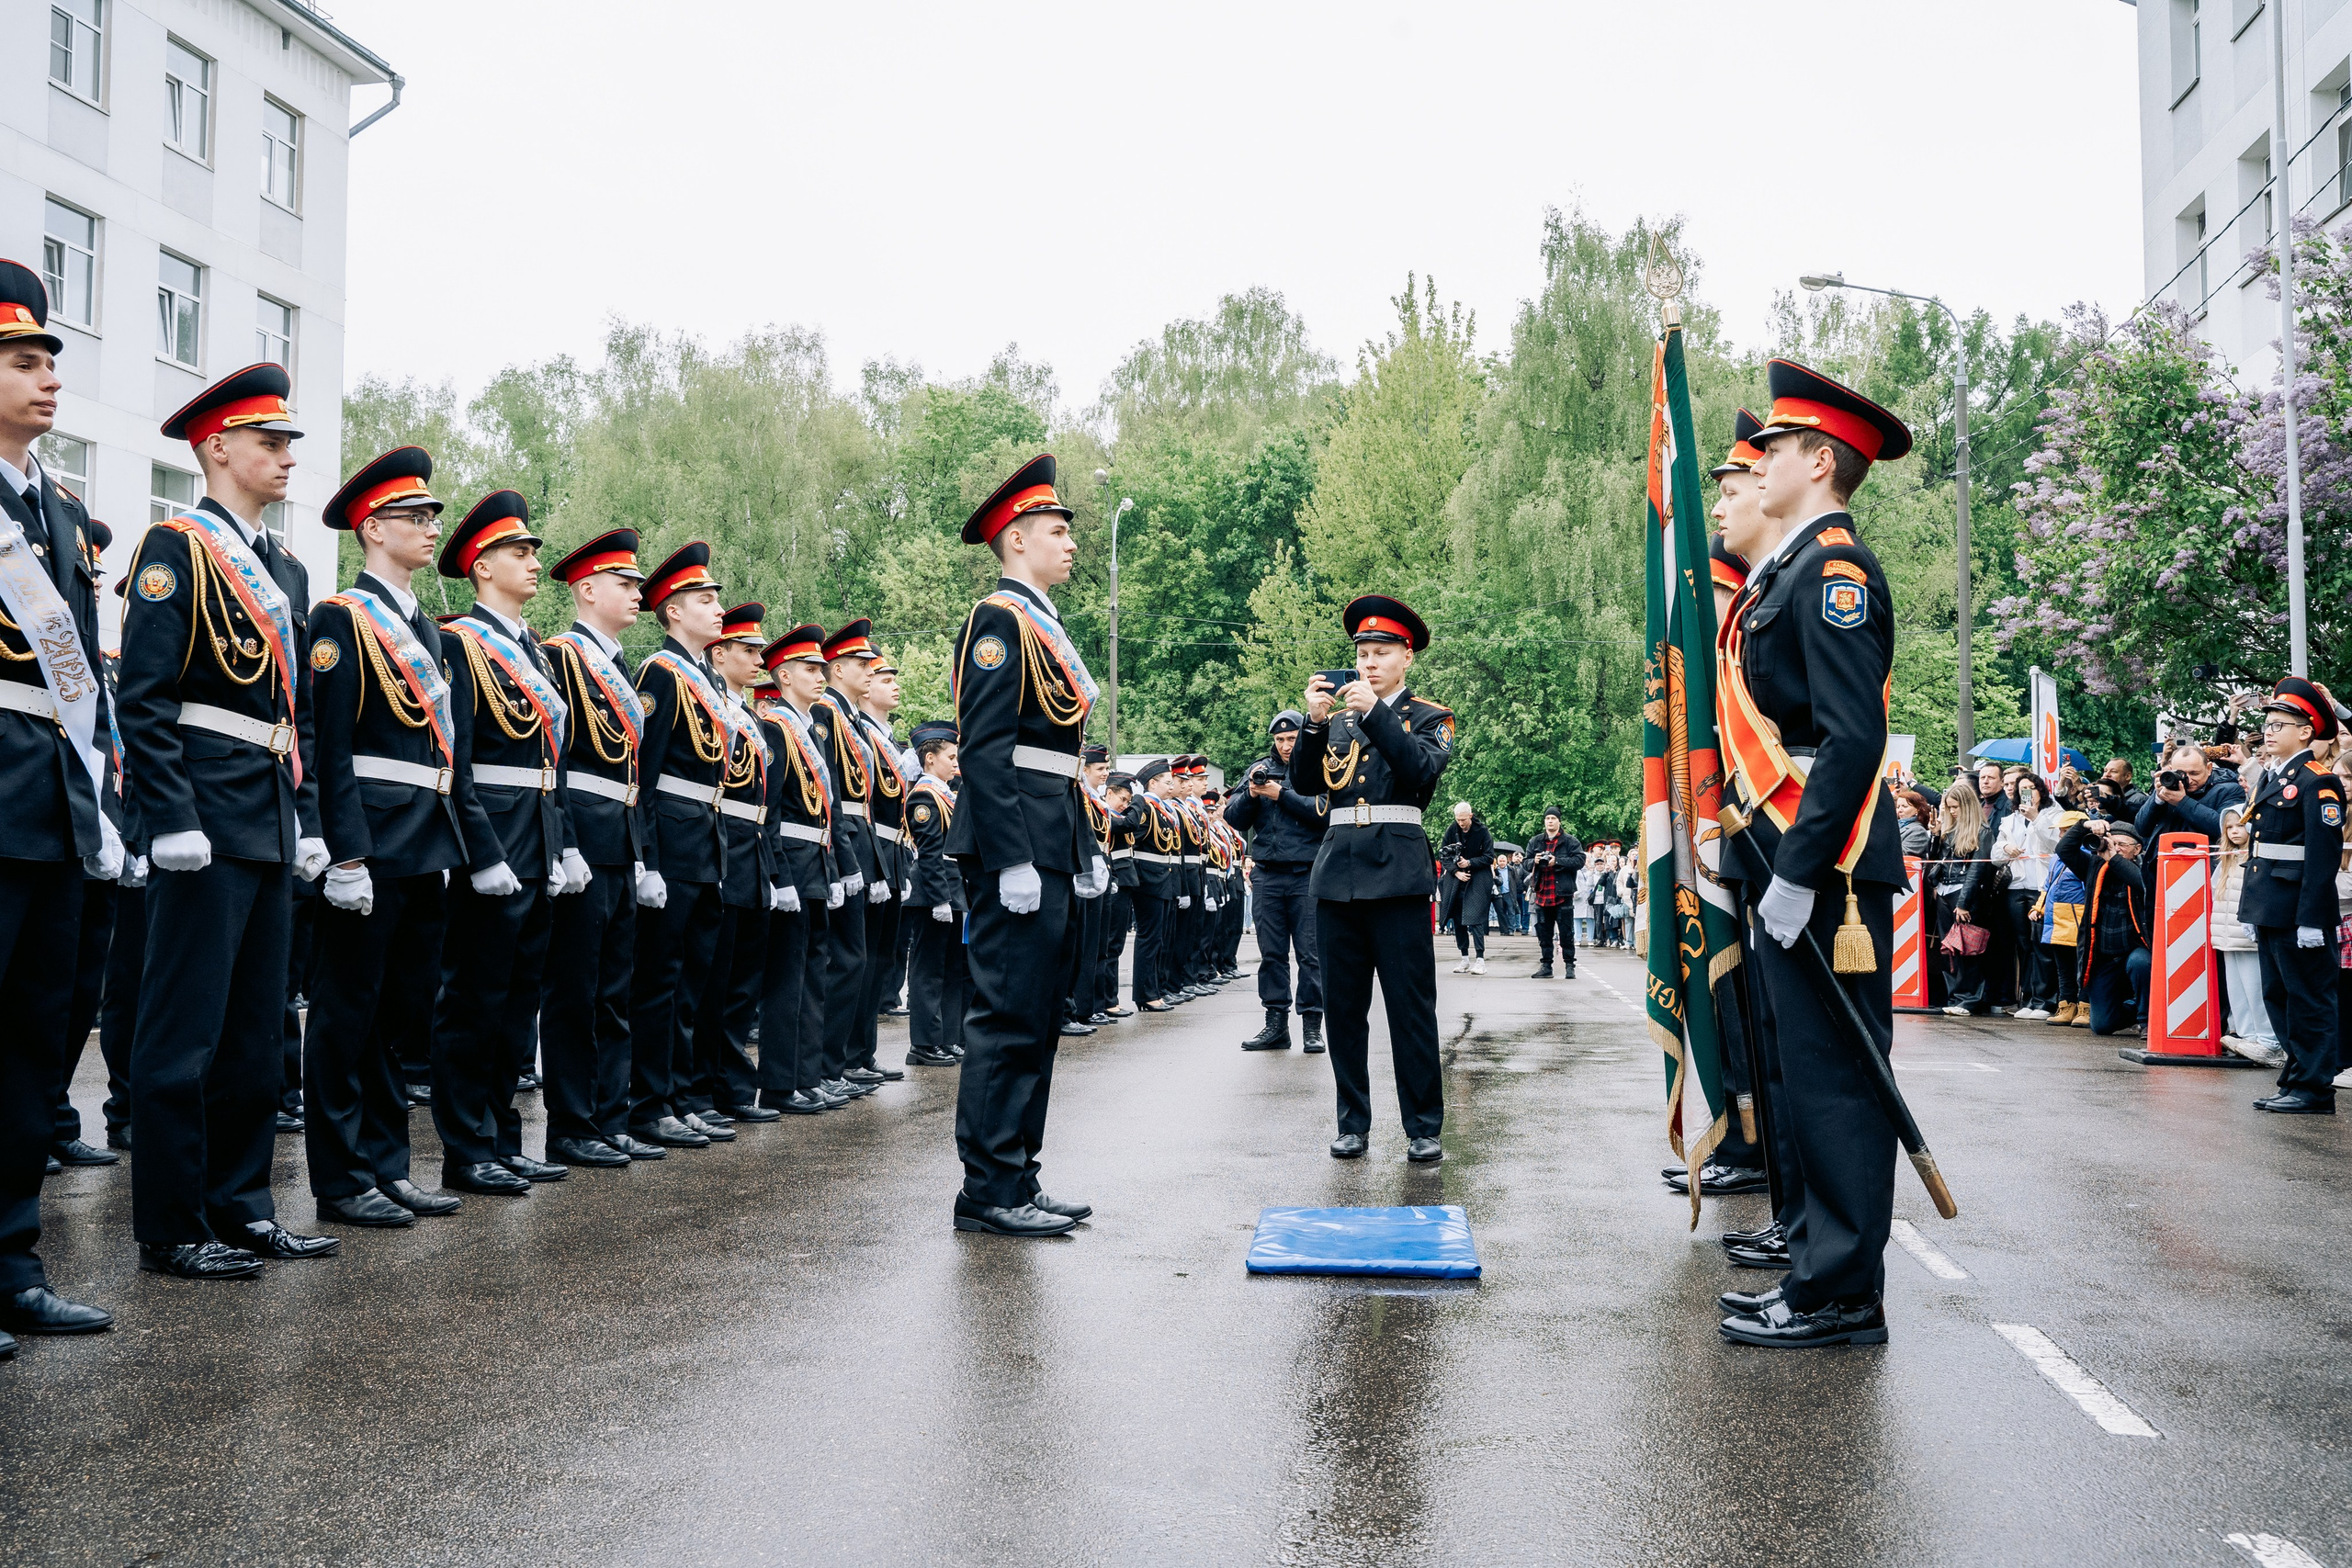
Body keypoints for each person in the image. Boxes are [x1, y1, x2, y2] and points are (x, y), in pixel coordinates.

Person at [1713, 358, 1912, 1350]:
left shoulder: (1832, 572)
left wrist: (1794, 872)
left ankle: (1840, 1292)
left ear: (1819, 461)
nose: (1761, 461)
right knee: (1805, 1067)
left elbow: (1849, 740)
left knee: (1835, 1079)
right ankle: (1817, 1263)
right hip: (1792, 844)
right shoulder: (1791, 568)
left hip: (1824, 864)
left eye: (1778, 447)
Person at [121, 362, 336, 1280]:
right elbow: (146, 697)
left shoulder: (283, 566)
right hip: (203, 813)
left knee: (255, 1037)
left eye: (289, 441)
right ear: (217, 447)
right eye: (268, 441)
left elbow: (300, 717)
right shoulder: (176, 548)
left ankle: (241, 1206)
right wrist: (168, 815)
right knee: (184, 1034)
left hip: (267, 812)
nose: (286, 457)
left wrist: (308, 815)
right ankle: (172, 1225)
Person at [301, 447, 468, 1226]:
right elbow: (328, 745)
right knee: (347, 1014)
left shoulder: (427, 632)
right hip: (370, 843)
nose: (430, 527)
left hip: (424, 844)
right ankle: (340, 1178)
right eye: (415, 516)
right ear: (373, 528)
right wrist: (346, 852)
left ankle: (389, 1165)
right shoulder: (341, 618)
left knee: (400, 1016)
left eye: (432, 515)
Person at [0, 258, 116, 1343]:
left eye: (50, 363)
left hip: (58, 804)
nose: (47, 381)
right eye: (23, 362)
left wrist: (107, 801)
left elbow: (82, 672)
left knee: (36, 1047)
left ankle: (14, 1269)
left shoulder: (66, 509)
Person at [945, 455, 1107, 1236]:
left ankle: (1019, 1172)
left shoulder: (1043, 620)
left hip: (1052, 830)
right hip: (1017, 839)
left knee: (1037, 1016)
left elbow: (1059, 761)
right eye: (1056, 530)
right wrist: (1010, 855)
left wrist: (1082, 846)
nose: (1070, 542)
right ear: (1016, 540)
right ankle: (986, 1188)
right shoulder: (999, 620)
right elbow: (984, 747)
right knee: (1006, 1014)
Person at [432, 491, 574, 1194]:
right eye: (519, 553)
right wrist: (482, 852)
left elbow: (556, 761)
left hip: (539, 837)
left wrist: (564, 844)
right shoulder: (459, 641)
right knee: (476, 1001)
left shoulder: (534, 652)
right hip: (494, 839)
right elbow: (454, 758)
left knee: (518, 1005)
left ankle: (503, 1137)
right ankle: (466, 1145)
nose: (532, 562)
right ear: (482, 567)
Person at [1301, 593, 1454, 1164]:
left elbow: (1417, 772)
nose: (1368, 662)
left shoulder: (1430, 717)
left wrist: (1374, 713)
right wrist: (1316, 726)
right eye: (1362, 652)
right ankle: (1352, 1122)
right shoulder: (1339, 720)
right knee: (1343, 1009)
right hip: (1337, 872)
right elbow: (1307, 781)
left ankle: (1422, 1125)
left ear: (1405, 658)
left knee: (1409, 1008)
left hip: (1398, 875)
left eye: (1381, 651)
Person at [537, 529, 655, 1167]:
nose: (637, 595)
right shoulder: (558, 657)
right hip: (582, 838)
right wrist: (568, 842)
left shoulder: (621, 669)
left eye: (637, 585)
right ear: (586, 590)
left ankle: (611, 1116)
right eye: (625, 584)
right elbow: (553, 760)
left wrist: (641, 854)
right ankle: (571, 1123)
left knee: (615, 992)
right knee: (574, 992)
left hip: (620, 841)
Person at [627, 542, 731, 1148]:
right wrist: (650, 859)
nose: (716, 609)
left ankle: (683, 1094)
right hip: (673, 841)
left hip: (706, 842)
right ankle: (650, 1102)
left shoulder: (707, 676)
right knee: (660, 983)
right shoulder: (659, 675)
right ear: (671, 610)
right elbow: (645, 772)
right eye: (704, 599)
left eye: (715, 598)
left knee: (693, 982)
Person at [684, 603, 779, 1130]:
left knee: (742, 984)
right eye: (747, 650)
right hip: (720, 842)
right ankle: (701, 1089)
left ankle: (732, 1085)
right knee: (710, 982)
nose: (757, 659)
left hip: (751, 846)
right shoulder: (707, 698)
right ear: (719, 654)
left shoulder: (746, 713)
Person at [2239, 677, 2346, 1113]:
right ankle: (2297, 1076)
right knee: (2279, 997)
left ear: (2306, 732)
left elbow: (2323, 857)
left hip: (2298, 909)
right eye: (2269, 722)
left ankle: (2315, 1088)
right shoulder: (2275, 776)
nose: (2270, 730)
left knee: (2308, 1000)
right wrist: (2252, 907)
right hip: (2270, 904)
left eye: (2281, 724)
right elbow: (2260, 847)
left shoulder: (2316, 782)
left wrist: (2311, 918)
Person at [752, 623, 841, 1114]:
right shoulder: (776, 727)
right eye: (810, 669)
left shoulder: (813, 729)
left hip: (817, 862)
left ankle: (808, 1076)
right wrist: (780, 876)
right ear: (783, 676)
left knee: (813, 974)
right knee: (787, 981)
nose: (821, 675)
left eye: (822, 668)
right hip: (792, 861)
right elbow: (771, 808)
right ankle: (782, 1084)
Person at [1227, 710, 1328, 1051]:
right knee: (1271, 955)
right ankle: (1275, 1024)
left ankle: (1312, 1025)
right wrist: (1254, 794)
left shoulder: (1319, 765)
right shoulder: (1260, 770)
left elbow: (1322, 813)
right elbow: (1233, 818)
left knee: (1310, 955)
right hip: (1268, 874)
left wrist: (1278, 793)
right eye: (1280, 740)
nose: (1286, 745)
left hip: (1307, 875)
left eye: (1292, 738)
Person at [903, 719, 967, 1066]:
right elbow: (929, 852)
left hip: (953, 888)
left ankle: (948, 1036)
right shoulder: (925, 796)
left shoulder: (947, 794)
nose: (956, 764)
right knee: (929, 970)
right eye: (951, 757)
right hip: (933, 892)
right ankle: (924, 1043)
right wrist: (940, 897)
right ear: (930, 759)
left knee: (952, 968)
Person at [2052, 818, 2151, 1036]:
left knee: (2141, 962)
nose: (2115, 849)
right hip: (2104, 955)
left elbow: (2142, 885)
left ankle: (2147, 1021)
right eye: (2111, 843)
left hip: (2135, 950)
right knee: (2102, 1025)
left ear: (2137, 849)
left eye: (2122, 845)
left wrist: (2113, 858)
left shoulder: (2144, 869)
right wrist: (2084, 825)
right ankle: (2135, 1010)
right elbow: (2064, 849)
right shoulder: (2093, 866)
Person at [2212, 801, 2283, 1066]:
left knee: (2256, 988)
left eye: (2240, 825)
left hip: (2248, 937)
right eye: (2229, 827)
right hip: (2227, 937)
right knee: (2237, 989)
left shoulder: (2257, 859)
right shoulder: (2225, 860)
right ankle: (2246, 1034)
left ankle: (2268, 1039)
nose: (2234, 831)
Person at [1995, 773, 2056, 1020]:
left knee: (2041, 944)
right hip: (2016, 887)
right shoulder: (2010, 820)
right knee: (2024, 946)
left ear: (2041, 790)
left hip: (2040, 886)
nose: (2027, 793)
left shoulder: (2053, 814)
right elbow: (1995, 853)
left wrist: (2036, 819)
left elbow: (2055, 845)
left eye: (2032, 788)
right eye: (2022, 789)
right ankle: (2028, 999)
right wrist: (2005, 848)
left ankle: (2045, 1001)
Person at [1125, 758, 1183, 1012]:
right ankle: (1145, 994)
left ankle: (1155, 989)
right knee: (1149, 937)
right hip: (1149, 878)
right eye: (1167, 782)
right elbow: (1131, 839)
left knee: (1160, 938)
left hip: (1163, 877)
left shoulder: (1163, 809)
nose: (1172, 787)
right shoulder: (1146, 808)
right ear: (1152, 783)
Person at [1933, 782, 1995, 1019]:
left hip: (1963, 895)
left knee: (1968, 949)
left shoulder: (1982, 831)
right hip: (1945, 892)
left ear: (1967, 806)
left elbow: (1976, 871)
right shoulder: (1952, 828)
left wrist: (1963, 903)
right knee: (1950, 950)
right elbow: (1937, 861)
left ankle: (1969, 998)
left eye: (1955, 807)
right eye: (1949, 807)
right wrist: (1936, 835)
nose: (1952, 811)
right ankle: (1956, 996)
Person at [2134, 738, 2245, 844]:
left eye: (2194, 773)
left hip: (2206, 860)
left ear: (2209, 768)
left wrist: (2182, 802)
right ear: (2171, 768)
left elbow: (2224, 827)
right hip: (2162, 859)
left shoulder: (2230, 789)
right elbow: (2141, 829)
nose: (2189, 779)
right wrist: (2157, 798)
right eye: (2181, 773)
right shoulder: (2168, 788)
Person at [1526, 808, 1585, 978]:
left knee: (1566, 932)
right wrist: (1534, 861)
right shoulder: (1536, 841)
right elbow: (1525, 863)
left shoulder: (1570, 841)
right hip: (1542, 892)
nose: (1550, 821)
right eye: (1547, 818)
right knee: (1544, 932)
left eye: (1553, 818)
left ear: (1559, 821)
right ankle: (1546, 966)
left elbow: (1579, 860)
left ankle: (1569, 966)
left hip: (1563, 893)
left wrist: (1556, 861)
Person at [1439, 802, 1494, 973]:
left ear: (1470, 816)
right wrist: (1456, 871)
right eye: (1458, 819)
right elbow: (1443, 855)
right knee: (1457, 918)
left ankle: (1480, 960)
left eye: (1463, 819)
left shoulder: (1482, 831)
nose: (1460, 823)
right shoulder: (1451, 830)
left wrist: (1469, 862)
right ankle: (1464, 959)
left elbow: (1488, 857)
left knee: (1475, 918)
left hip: (1477, 877)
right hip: (1456, 879)